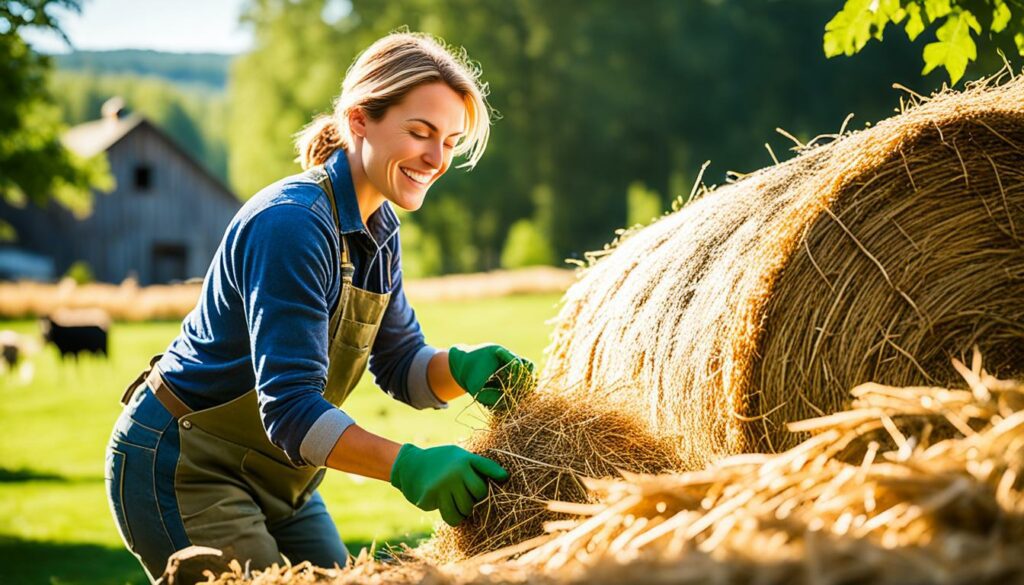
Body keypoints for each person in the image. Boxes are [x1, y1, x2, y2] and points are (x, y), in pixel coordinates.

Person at [105, 31, 535, 582]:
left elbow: (401, 364)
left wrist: (464, 366)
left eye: (451, 142)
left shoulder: (381, 227)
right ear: (359, 120)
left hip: (288, 476)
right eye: (421, 133)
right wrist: (409, 466)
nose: (436, 158)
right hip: (186, 468)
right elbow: (291, 410)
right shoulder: (293, 223)